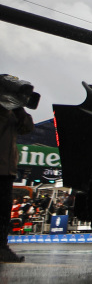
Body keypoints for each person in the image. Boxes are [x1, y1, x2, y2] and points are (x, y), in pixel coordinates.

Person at [1, 85, 33, 263]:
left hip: (6, 169)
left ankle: (1, 247)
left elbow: (27, 127)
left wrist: (19, 109)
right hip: (3, 166)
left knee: (3, 211)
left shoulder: (13, 112)